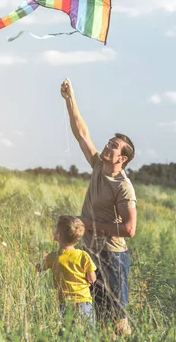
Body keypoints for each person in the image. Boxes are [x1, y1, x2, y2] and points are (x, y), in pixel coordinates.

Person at [60, 78, 137, 336]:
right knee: (99, 317)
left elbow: (129, 228)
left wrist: (91, 225)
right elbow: (82, 134)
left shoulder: (123, 187)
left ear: (122, 158)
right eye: (108, 142)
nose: (107, 146)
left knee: (117, 322)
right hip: (90, 253)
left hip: (113, 258)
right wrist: (70, 98)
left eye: (113, 146)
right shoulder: (97, 166)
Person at [37, 215, 98, 323]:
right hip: (84, 302)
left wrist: (41, 258)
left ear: (59, 236)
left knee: (67, 333)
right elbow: (92, 279)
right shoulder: (83, 255)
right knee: (87, 335)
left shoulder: (53, 257)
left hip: (65, 303)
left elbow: (39, 268)